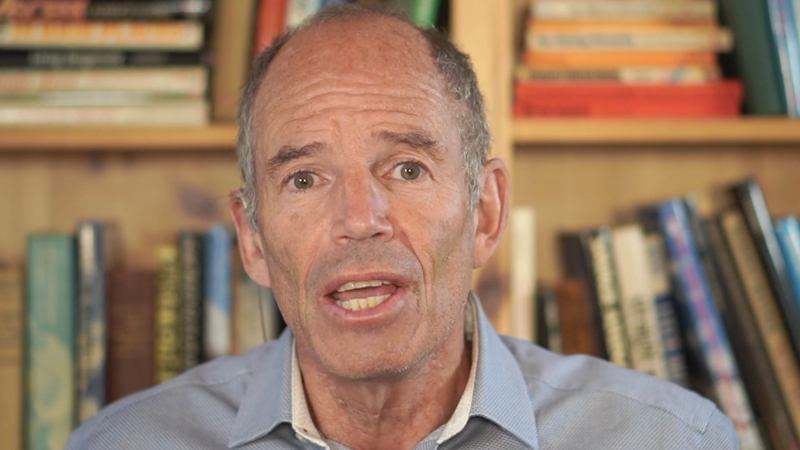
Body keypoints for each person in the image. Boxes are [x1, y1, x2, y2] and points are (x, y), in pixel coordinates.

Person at [67, 5, 737, 450]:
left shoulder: (672, 439)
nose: (360, 220)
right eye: (304, 179)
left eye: (407, 169)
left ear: (485, 211)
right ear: (252, 239)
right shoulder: (124, 444)